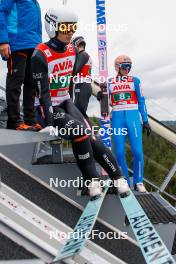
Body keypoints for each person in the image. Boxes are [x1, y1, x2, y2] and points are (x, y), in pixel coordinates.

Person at [31, 7, 130, 197]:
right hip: (46, 107)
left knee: (92, 137)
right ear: (53, 26)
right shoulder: (40, 54)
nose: (71, 32)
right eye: (66, 27)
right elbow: (43, 93)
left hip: (65, 101)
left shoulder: (72, 50)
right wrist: (50, 122)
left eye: (73, 27)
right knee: (79, 130)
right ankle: (93, 182)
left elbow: (69, 78)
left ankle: (119, 179)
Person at [109, 55, 151, 192]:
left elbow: (141, 101)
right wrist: (101, 97)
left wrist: (145, 120)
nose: (127, 69)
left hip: (133, 116)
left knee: (138, 151)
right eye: (124, 66)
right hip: (117, 117)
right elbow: (105, 102)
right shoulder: (109, 82)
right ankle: (125, 181)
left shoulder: (135, 81)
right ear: (117, 67)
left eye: (129, 67)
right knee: (119, 152)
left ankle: (139, 181)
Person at [0, 0, 42, 131]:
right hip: (18, 43)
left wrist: (40, 46)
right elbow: (1, 11)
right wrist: (3, 40)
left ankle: (30, 120)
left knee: (32, 83)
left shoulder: (35, 2)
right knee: (15, 82)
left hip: (34, 45)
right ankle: (14, 121)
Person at [71, 36, 92, 118]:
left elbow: (74, 71)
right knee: (79, 112)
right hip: (83, 85)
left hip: (82, 85)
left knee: (80, 113)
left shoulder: (82, 55)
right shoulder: (84, 55)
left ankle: (89, 131)